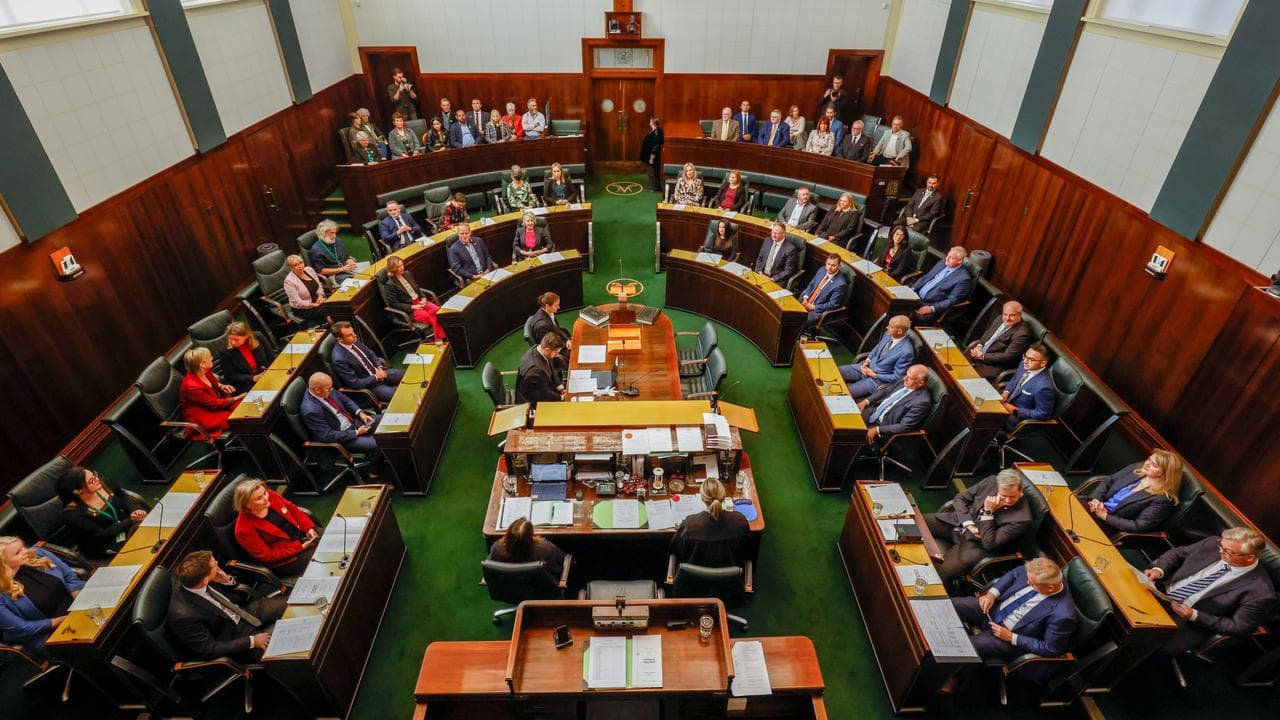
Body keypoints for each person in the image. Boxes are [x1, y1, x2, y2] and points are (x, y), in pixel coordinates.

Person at [1145, 527, 1278, 653]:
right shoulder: (1212, 543)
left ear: (1249, 557)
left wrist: (1193, 615)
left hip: (1189, 622)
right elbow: (1177, 554)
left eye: (1228, 552)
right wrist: (1159, 570)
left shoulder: (1261, 592)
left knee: (1145, 643)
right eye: (1221, 545)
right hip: (1162, 591)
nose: (1220, 551)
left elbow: (1238, 627)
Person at [951, 559, 1076, 665]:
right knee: (950, 604)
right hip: (993, 609)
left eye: (1032, 584)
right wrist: (992, 594)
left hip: (1008, 637)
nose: (1027, 583)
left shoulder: (1063, 615)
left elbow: (1051, 649)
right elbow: (1015, 573)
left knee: (961, 646)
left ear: (1050, 588)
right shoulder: (1034, 573)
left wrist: (1012, 638)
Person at [167, 550, 284, 661]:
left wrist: (226, 580)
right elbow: (209, 649)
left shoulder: (196, 578)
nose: (217, 563)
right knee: (285, 647)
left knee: (294, 604)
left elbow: (236, 595)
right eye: (214, 565)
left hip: (244, 612)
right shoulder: (183, 616)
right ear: (206, 580)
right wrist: (252, 641)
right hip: (236, 637)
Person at [925, 469, 1033, 582]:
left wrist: (988, 512)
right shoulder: (991, 481)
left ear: (1021, 492)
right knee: (911, 522)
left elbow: (989, 543)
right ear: (998, 487)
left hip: (975, 545)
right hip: (958, 523)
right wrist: (968, 523)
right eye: (1004, 495)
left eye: (1012, 497)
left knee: (938, 575)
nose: (1007, 500)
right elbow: (960, 498)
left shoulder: (1022, 519)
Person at [0, 536, 83, 659]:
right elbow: (22, 629)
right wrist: (65, 619)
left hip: (78, 608)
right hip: (47, 633)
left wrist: (80, 602)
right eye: (18, 552)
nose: (26, 551)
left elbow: (69, 576)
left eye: (23, 546)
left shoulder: (38, 553)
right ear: (3, 563)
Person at [57, 466, 146, 560]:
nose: (97, 479)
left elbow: (123, 497)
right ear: (78, 491)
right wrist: (131, 520)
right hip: (105, 543)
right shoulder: (72, 514)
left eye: (94, 475)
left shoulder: (106, 484)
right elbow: (101, 534)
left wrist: (135, 510)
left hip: (126, 524)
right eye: (91, 480)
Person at [232, 479, 318, 577]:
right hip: (286, 558)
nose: (266, 498)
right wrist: (300, 547)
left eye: (265, 492)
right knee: (322, 558)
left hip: (302, 534)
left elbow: (292, 509)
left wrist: (308, 528)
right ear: (246, 504)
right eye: (259, 498)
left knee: (332, 537)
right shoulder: (243, 530)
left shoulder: (270, 495)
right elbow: (268, 556)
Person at [1085, 450, 1182, 535]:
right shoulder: (1137, 469)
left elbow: (1138, 526)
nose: (1147, 464)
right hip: (1096, 507)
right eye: (1149, 459)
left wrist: (1104, 516)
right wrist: (1096, 500)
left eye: (1154, 465)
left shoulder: (1162, 499)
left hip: (1109, 524)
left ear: (1166, 473)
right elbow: (1109, 480)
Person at [670, 478, 750, 568]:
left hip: (693, 579)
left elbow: (674, 549)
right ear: (723, 496)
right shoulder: (739, 520)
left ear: (702, 498)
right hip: (729, 579)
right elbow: (747, 550)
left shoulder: (689, 524)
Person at [301, 372, 381, 459]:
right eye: (329, 388)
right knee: (380, 444)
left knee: (385, 421)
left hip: (353, 422)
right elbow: (328, 436)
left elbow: (345, 400)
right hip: (343, 438)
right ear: (316, 390)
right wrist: (356, 433)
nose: (332, 390)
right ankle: (374, 469)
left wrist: (360, 413)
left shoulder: (325, 388)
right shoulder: (311, 410)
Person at [840, 315, 915, 399]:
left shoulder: (906, 352)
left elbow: (897, 377)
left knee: (844, 394)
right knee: (836, 371)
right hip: (864, 368)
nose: (887, 328)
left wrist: (874, 375)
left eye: (890, 327)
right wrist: (868, 360)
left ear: (900, 331)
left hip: (876, 380)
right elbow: (877, 347)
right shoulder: (888, 334)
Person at [330, 320, 403, 404]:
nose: (354, 335)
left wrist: (379, 367)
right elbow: (355, 383)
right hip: (370, 385)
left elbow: (371, 354)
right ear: (340, 339)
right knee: (399, 396)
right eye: (349, 335)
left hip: (380, 372)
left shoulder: (353, 340)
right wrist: (376, 377)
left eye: (353, 332)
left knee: (408, 376)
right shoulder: (339, 359)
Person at [858, 364, 932, 447]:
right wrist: (865, 401)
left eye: (909, 378)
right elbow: (885, 392)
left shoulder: (922, 402)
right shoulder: (905, 380)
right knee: (847, 421)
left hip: (883, 427)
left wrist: (877, 430)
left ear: (920, 383)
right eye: (906, 375)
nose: (904, 378)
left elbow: (904, 426)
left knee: (853, 438)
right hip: (874, 412)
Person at [180, 347, 243, 440]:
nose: (212, 358)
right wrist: (237, 397)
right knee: (238, 417)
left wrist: (221, 386)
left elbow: (213, 383)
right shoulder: (192, 387)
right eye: (209, 357)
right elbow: (214, 404)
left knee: (243, 406)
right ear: (202, 365)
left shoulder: (204, 370)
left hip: (213, 404)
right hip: (204, 415)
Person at [967, 301, 1033, 381]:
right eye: (1005, 314)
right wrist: (979, 346)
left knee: (968, 379)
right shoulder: (999, 318)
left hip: (993, 366)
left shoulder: (1022, 334)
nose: (1007, 318)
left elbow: (1007, 357)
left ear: (1019, 315)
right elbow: (988, 333)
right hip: (979, 354)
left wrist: (982, 356)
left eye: (1012, 315)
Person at [382, 255, 445, 339]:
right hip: (411, 310)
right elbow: (394, 304)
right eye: (398, 267)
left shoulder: (407, 274)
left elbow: (417, 288)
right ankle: (442, 339)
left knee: (439, 312)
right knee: (431, 318)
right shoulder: (390, 285)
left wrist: (423, 298)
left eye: (402, 265)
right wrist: (413, 306)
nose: (402, 268)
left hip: (420, 302)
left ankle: (444, 336)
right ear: (393, 268)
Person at [1001, 343, 1054, 431]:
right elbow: (1015, 379)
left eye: (1031, 359)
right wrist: (1006, 392)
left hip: (1016, 418)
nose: (1025, 361)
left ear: (1043, 363)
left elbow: (1043, 414)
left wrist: (1015, 410)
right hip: (1004, 404)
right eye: (1025, 356)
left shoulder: (1044, 387)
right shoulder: (1023, 364)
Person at [488, 517, 566, 577]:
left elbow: (490, 568)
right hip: (540, 590)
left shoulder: (497, 548)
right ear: (531, 535)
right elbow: (562, 560)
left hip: (509, 589)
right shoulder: (545, 548)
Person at [910, 246, 971, 324]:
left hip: (930, 304)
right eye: (947, 256)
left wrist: (932, 308)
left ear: (959, 261)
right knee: (897, 302)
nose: (947, 259)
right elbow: (926, 276)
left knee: (917, 316)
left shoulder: (963, 279)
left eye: (951, 258)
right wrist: (913, 288)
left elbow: (952, 300)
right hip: (916, 294)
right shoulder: (942, 263)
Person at [218, 321, 273, 393]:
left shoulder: (258, 336)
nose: (233, 342)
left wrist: (269, 371)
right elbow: (230, 375)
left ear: (246, 336)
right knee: (262, 401)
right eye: (230, 339)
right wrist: (252, 378)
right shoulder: (225, 351)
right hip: (244, 383)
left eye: (236, 339)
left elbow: (271, 356)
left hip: (264, 375)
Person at [798, 254, 847, 334]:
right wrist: (805, 297)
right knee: (789, 313)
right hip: (807, 302)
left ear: (839, 266)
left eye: (833, 265)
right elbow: (811, 285)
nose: (829, 268)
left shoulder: (840, 284)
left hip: (818, 311)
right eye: (828, 264)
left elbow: (833, 304)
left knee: (798, 322)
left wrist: (814, 307)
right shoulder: (822, 270)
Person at [516, 333, 565, 405]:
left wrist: (559, 386)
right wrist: (561, 397)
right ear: (547, 350)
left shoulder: (539, 349)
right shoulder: (534, 373)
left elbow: (551, 369)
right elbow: (543, 395)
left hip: (545, 388)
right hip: (533, 402)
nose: (557, 355)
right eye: (556, 353)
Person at [283, 254, 328, 323]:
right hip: (303, 308)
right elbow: (297, 302)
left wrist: (320, 295)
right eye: (296, 265)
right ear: (291, 267)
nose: (300, 266)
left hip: (318, 300)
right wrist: (314, 305)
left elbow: (318, 284)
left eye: (301, 263)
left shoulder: (309, 270)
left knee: (335, 306)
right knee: (328, 312)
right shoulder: (289, 281)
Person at [310, 219, 357, 284]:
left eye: (335, 233)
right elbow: (320, 271)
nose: (335, 236)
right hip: (334, 275)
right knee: (357, 282)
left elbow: (345, 256)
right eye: (332, 233)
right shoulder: (316, 250)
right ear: (323, 233)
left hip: (346, 269)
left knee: (367, 274)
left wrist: (350, 261)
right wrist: (341, 269)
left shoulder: (336, 240)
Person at [640, 117, 664, 192]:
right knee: (652, 172)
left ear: (653, 123)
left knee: (652, 172)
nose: (649, 122)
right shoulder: (657, 130)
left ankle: (654, 188)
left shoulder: (657, 133)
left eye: (650, 121)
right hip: (650, 155)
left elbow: (656, 147)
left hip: (653, 157)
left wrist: (651, 158)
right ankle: (654, 186)